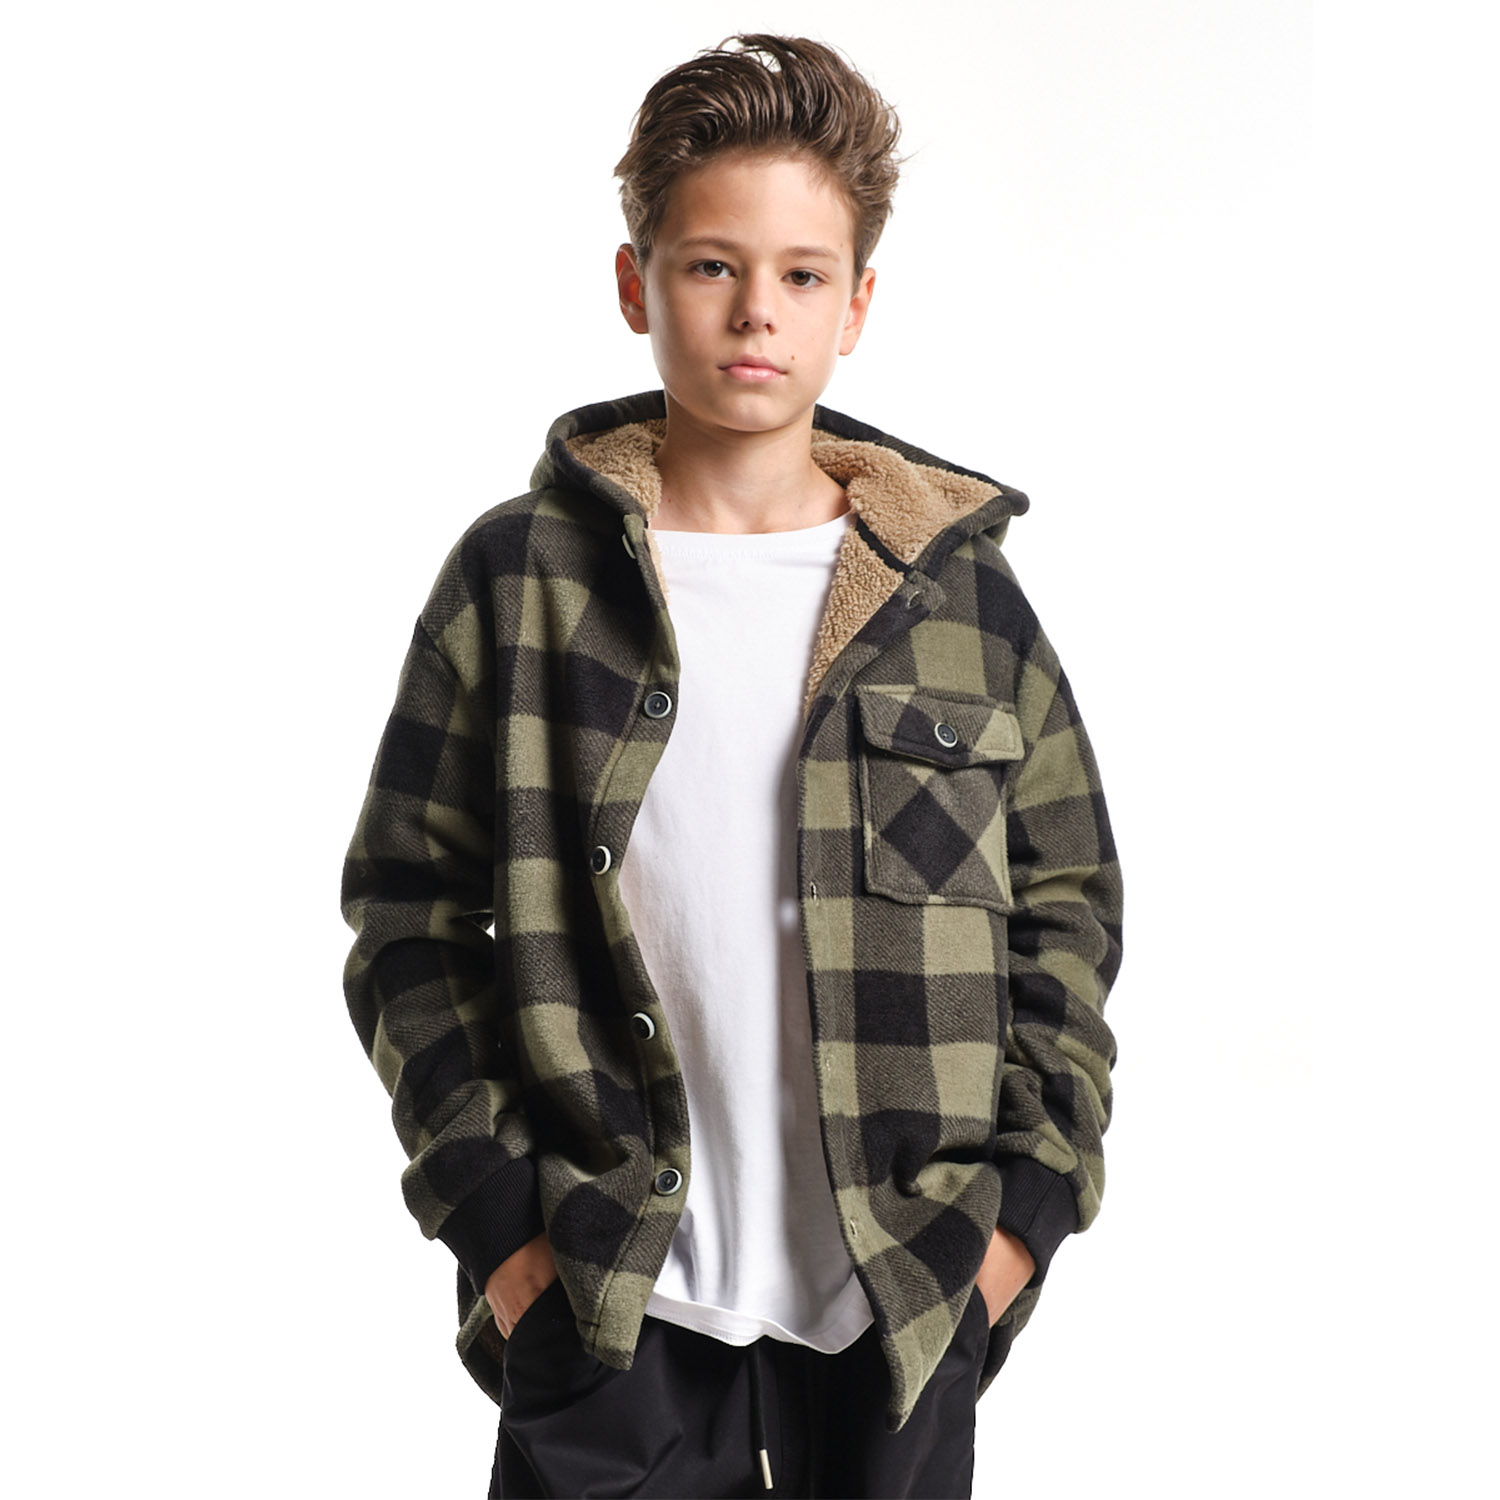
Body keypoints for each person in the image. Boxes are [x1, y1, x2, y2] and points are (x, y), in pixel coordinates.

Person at [341, 33, 1122, 1500]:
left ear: (857, 304)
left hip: (899, 1300)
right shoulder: (519, 583)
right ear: (635, 284)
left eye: (803, 275)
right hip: (608, 1295)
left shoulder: (956, 600)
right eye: (711, 265)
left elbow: (1067, 910)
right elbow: (408, 916)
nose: (757, 310)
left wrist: (1018, 1222)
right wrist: (501, 1227)